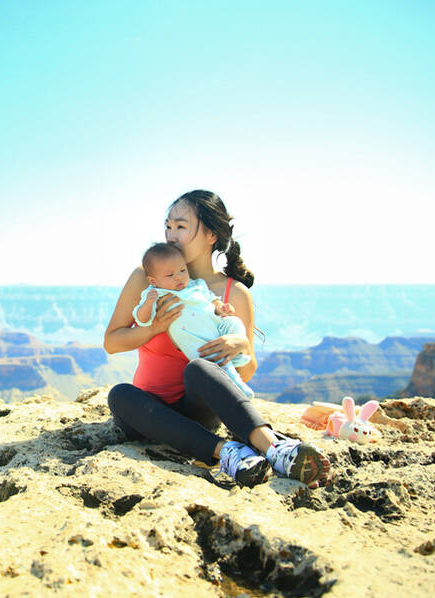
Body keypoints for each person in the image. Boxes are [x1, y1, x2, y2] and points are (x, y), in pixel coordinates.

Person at [104, 189, 330, 488]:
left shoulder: (233, 293)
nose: (171, 235)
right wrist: (153, 328)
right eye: (168, 226)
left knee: (198, 368)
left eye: (181, 227)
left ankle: (274, 448)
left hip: (199, 413)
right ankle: (228, 453)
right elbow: (112, 341)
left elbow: (245, 373)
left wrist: (241, 346)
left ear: (211, 234)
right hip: (149, 414)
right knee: (120, 395)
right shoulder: (149, 277)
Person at [132, 242, 254, 398]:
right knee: (216, 360)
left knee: (234, 323)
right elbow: (142, 319)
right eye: (170, 275)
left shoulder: (196, 285)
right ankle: (237, 387)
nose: (179, 277)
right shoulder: (156, 293)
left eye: (183, 270)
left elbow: (212, 299)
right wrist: (148, 304)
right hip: (193, 338)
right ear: (154, 281)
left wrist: (220, 307)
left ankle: (236, 356)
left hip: (214, 326)